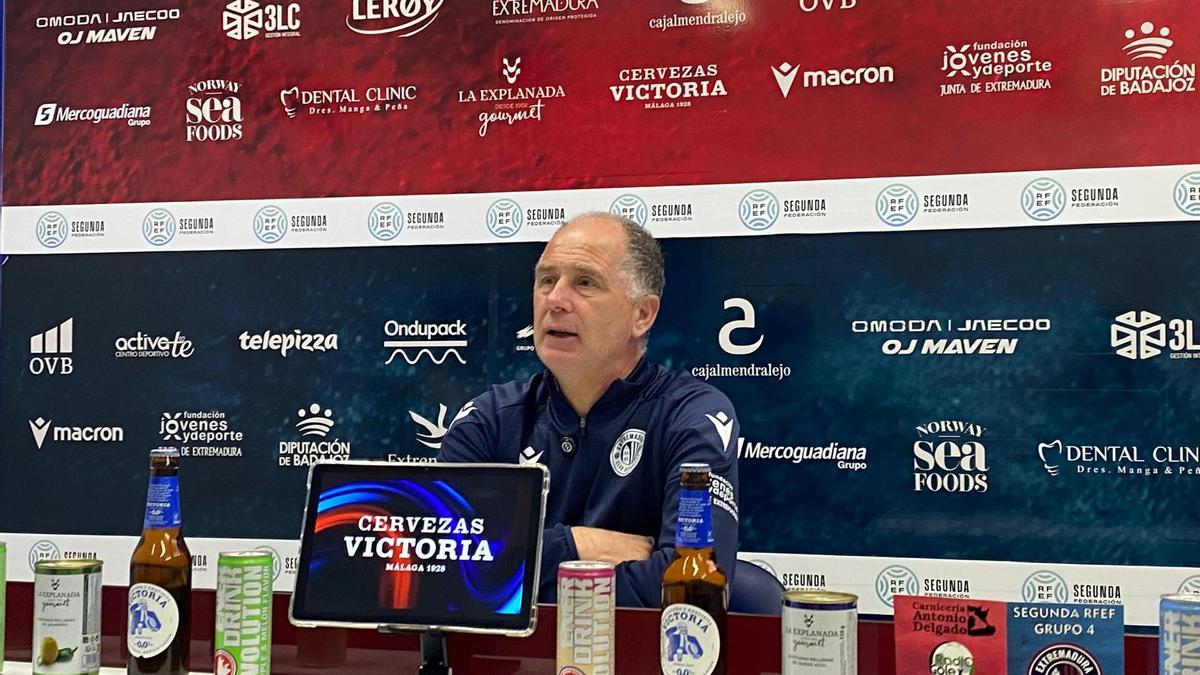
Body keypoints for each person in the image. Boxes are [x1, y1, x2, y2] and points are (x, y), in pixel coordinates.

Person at [437, 213, 740, 608]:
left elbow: (694, 589)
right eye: (547, 280)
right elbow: (441, 572)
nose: (556, 300)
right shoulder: (487, 421)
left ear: (642, 314)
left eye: (585, 282)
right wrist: (579, 544)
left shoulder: (690, 416)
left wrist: (510, 568)